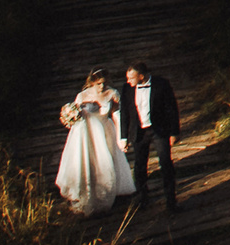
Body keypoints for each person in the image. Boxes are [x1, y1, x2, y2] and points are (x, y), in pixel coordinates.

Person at [54, 68, 135, 215]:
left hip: (104, 132)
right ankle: (86, 195)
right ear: (92, 82)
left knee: (105, 162)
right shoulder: (82, 96)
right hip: (86, 134)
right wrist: (70, 116)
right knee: (86, 163)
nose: (101, 87)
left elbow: (116, 115)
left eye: (104, 83)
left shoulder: (112, 93)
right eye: (98, 84)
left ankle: (106, 195)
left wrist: (121, 137)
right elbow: (76, 115)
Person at [119, 63, 183, 212]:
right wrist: (123, 136)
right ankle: (142, 198)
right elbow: (124, 113)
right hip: (139, 132)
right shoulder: (127, 88)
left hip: (158, 130)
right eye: (127, 78)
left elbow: (172, 108)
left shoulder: (161, 84)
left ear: (142, 76)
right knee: (140, 166)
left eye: (131, 78)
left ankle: (171, 201)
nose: (128, 81)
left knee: (165, 163)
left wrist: (174, 132)